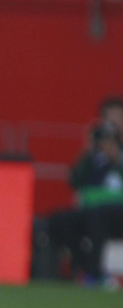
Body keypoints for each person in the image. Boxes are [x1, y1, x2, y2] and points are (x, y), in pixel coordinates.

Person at [47, 111, 123, 288]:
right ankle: (88, 269)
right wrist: (88, 152)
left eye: (109, 139)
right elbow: (75, 181)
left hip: (117, 214)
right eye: (102, 140)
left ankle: (96, 274)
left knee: (97, 216)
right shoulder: (92, 160)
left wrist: (117, 159)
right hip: (93, 212)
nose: (105, 144)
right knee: (58, 220)